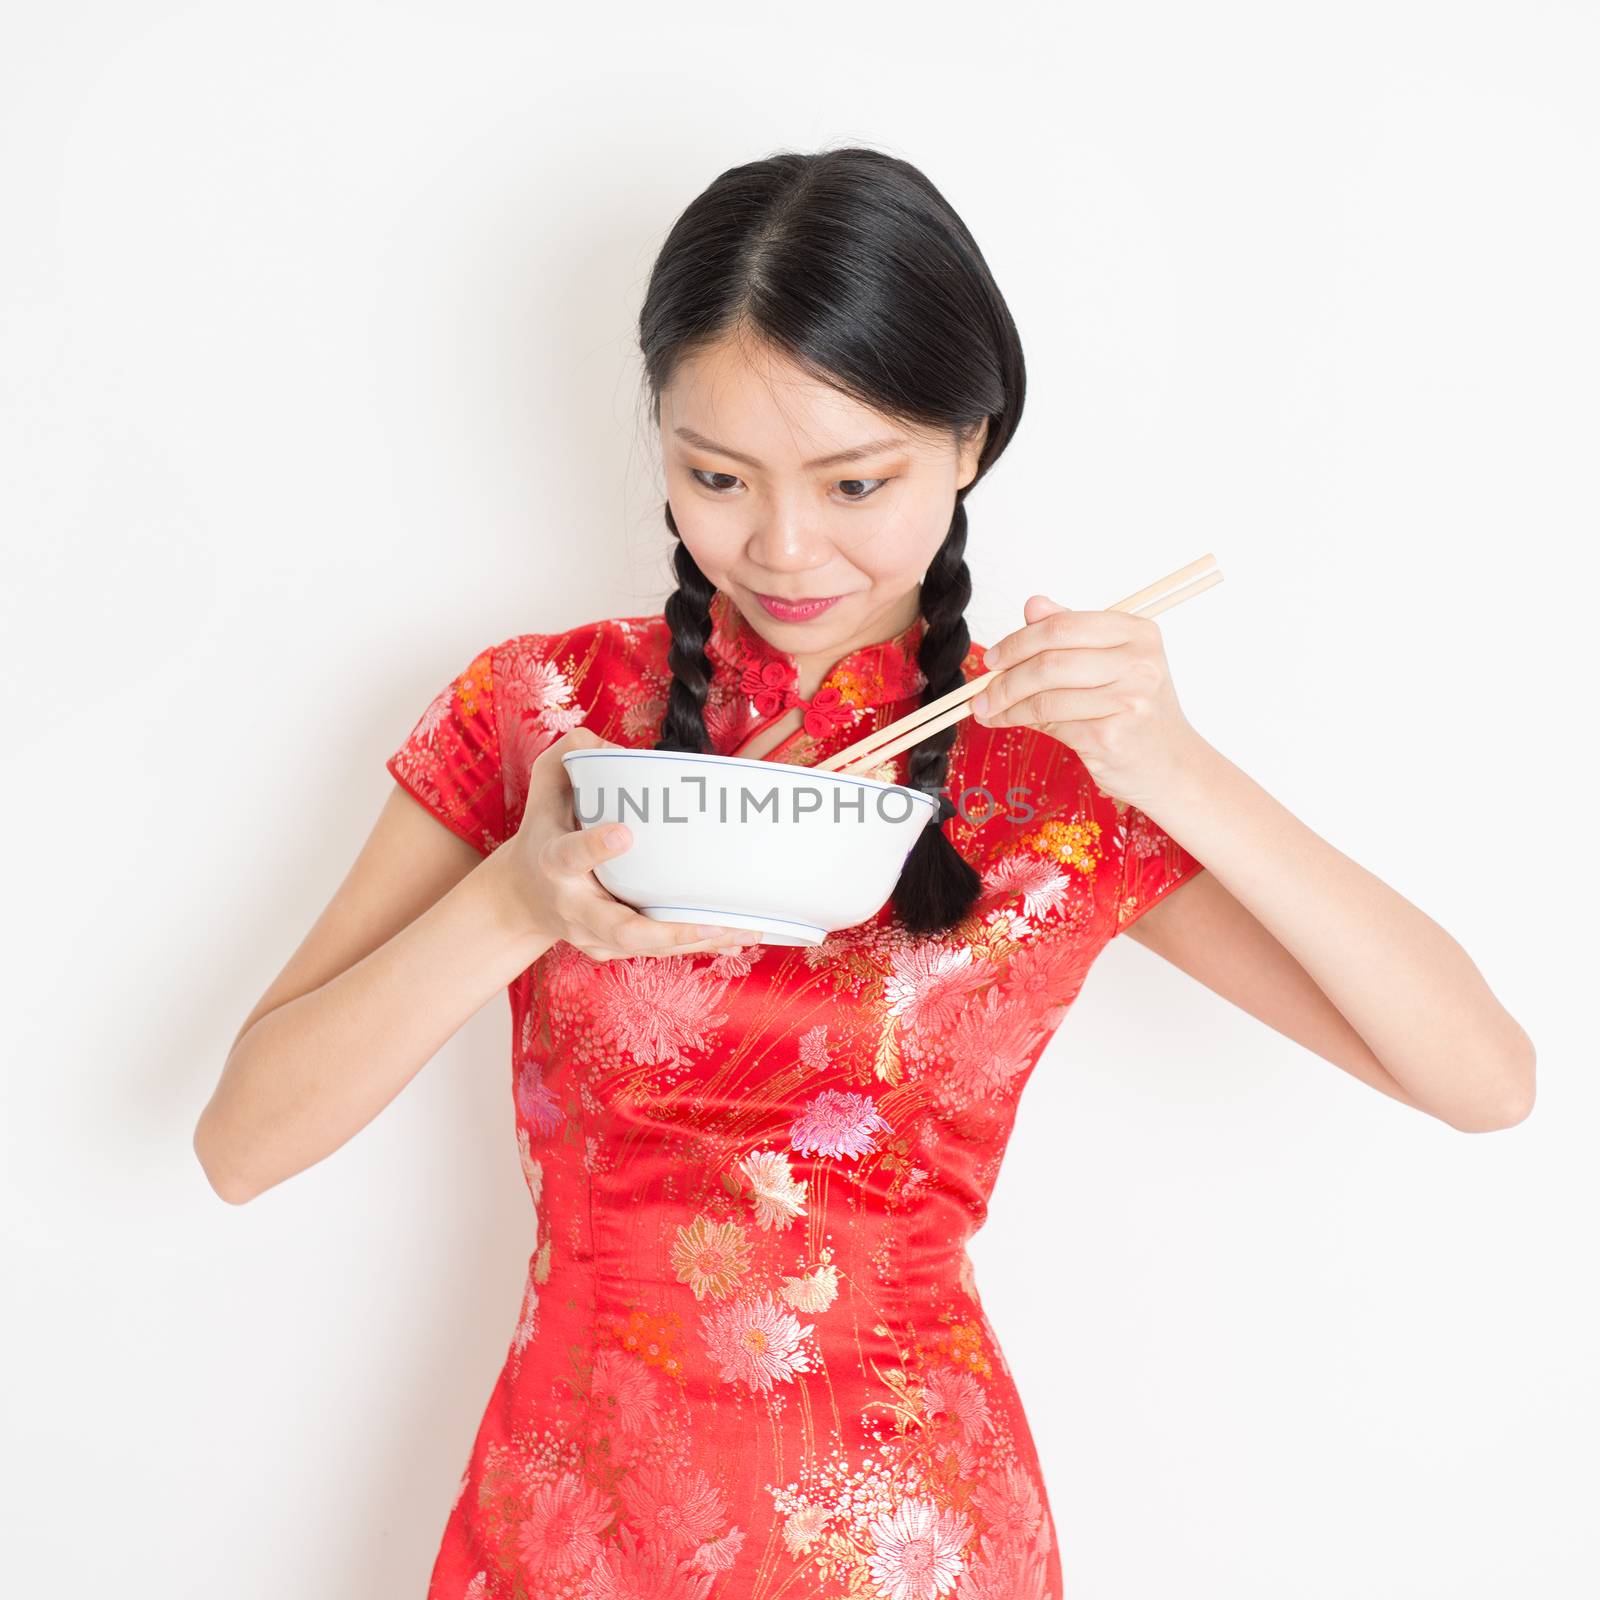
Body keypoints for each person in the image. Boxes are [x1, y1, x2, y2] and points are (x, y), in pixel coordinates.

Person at [194, 147, 1536, 1600]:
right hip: (569, 1531)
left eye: (855, 481)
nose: (780, 545)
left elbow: (1483, 1079)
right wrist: (516, 902)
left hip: (913, 1542)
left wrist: (1178, 768)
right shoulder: (544, 715)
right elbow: (242, 1145)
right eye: (715, 476)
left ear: (969, 442)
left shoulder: (1044, 772)